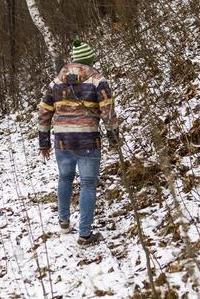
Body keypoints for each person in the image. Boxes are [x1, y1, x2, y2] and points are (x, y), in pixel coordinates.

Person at [38, 39, 119, 247]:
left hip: (63, 140)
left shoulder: (56, 82)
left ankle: (64, 222)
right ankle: (84, 235)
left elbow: (44, 111)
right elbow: (108, 111)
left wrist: (44, 141)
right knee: (88, 184)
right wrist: (113, 137)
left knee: (64, 179)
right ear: (89, 59)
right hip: (88, 140)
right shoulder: (98, 80)